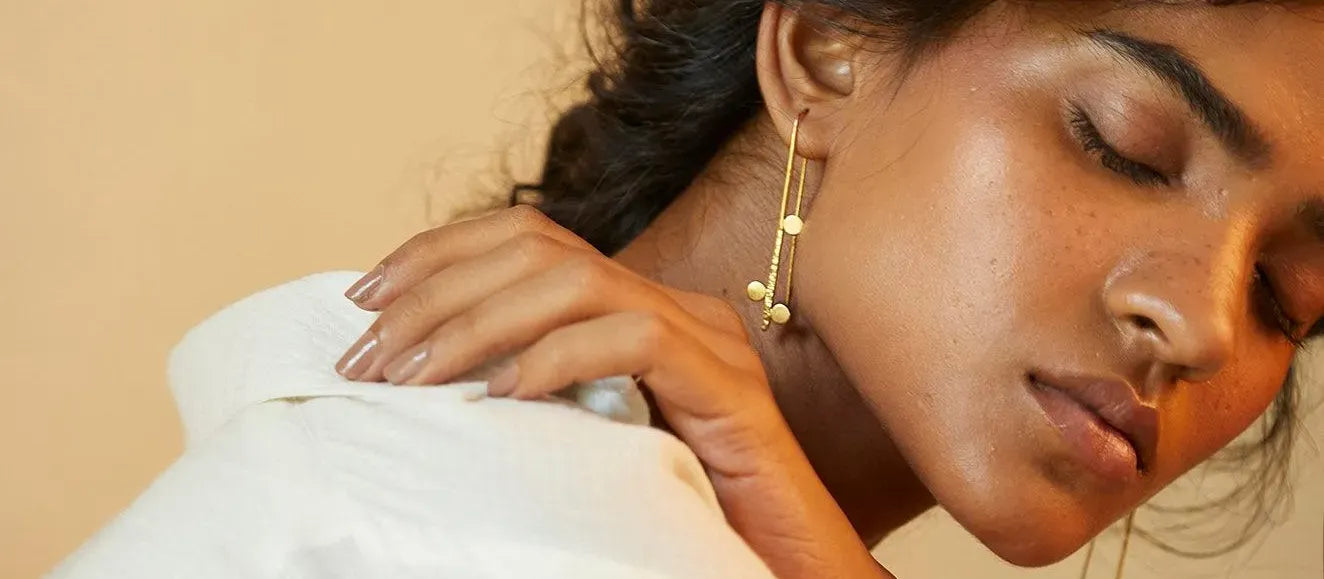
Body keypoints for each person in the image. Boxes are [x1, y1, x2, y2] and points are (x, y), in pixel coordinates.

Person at [331, 1, 1323, 577]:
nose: (1204, 328)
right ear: (825, 51)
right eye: (1125, 146)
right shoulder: (404, 506)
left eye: (1283, 296)